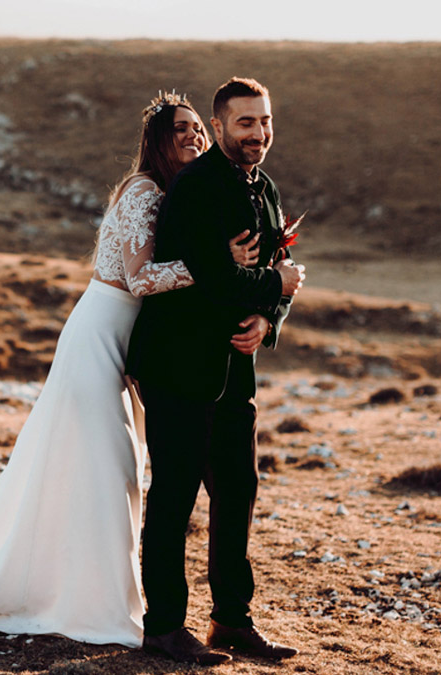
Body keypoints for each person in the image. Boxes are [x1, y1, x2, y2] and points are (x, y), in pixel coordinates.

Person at [0, 92, 260, 647]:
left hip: (130, 339)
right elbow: (139, 280)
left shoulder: (177, 192)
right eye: (180, 129)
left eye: (198, 129)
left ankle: (83, 590)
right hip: (101, 333)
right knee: (103, 468)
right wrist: (218, 264)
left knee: (108, 470)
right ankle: (83, 602)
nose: (193, 137)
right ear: (156, 139)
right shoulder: (143, 191)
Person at [126, 77, 305, 666]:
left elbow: (272, 269)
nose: (259, 132)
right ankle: (164, 630)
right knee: (174, 497)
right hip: (178, 363)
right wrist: (274, 285)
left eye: (265, 121)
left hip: (234, 366)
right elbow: (214, 275)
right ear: (221, 125)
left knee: (238, 490)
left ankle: (231, 621)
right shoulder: (199, 187)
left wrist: (267, 318)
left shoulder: (267, 186)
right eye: (246, 123)